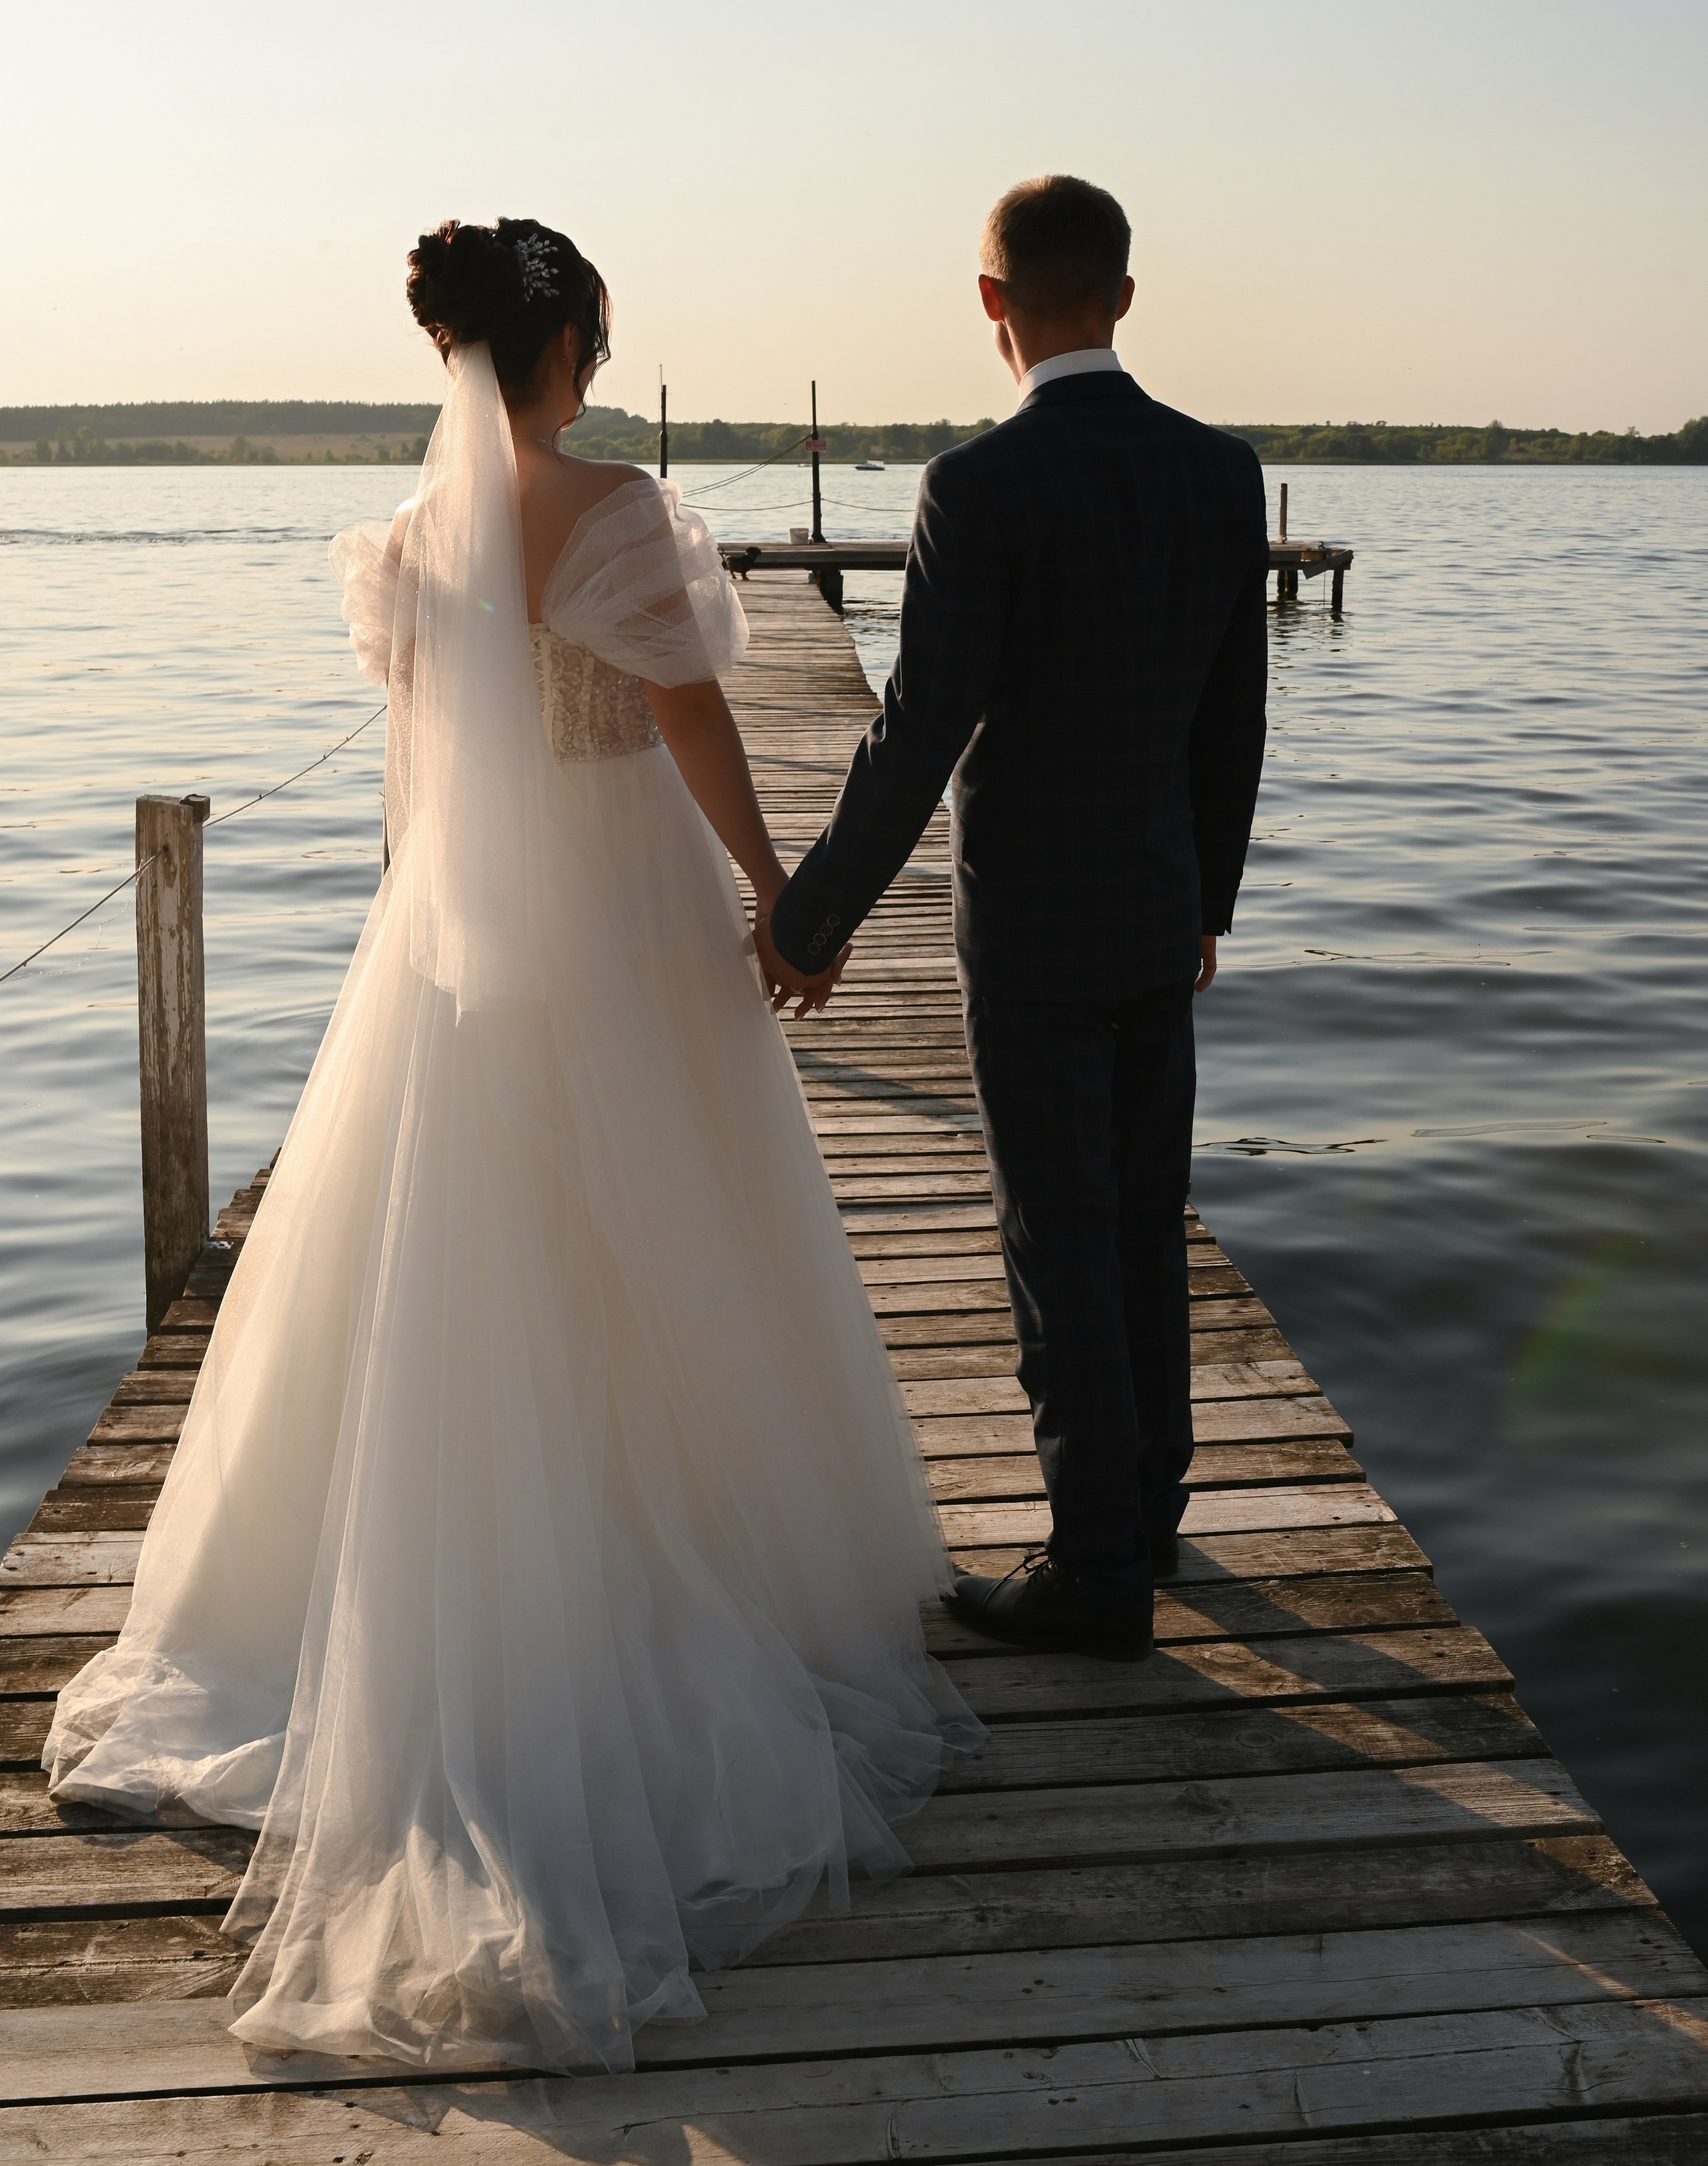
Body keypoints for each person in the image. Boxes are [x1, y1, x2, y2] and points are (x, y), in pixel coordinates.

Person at [42, 217, 976, 2074]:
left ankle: (385, 1622)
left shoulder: (399, 547)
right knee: (664, 1231)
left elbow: (423, 765)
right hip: (617, 913)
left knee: (449, 1256)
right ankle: (672, 1566)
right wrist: (782, 889)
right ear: (568, 350)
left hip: (455, 951)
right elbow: (693, 715)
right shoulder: (618, 511)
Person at [766, 175, 1268, 1662]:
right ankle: (1150, 1514)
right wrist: (1208, 896)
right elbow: (1230, 717)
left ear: (991, 301)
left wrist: (807, 918)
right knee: (1141, 1225)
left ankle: (1094, 1568)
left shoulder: (973, 488)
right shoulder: (1219, 470)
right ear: (1121, 293)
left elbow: (917, 732)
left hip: (1034, 932)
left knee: (1058, 1237)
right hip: (1157, 912)